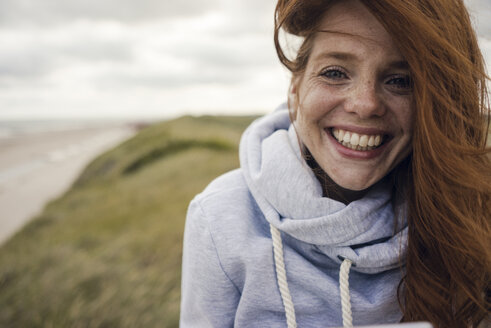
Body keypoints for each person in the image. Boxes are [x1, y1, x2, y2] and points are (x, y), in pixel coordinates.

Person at [180, 0, 491, 327]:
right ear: (296, 88)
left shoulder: (466, 217)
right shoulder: (221, 218)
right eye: (335, 73)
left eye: (399, 80)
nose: (366, 104)